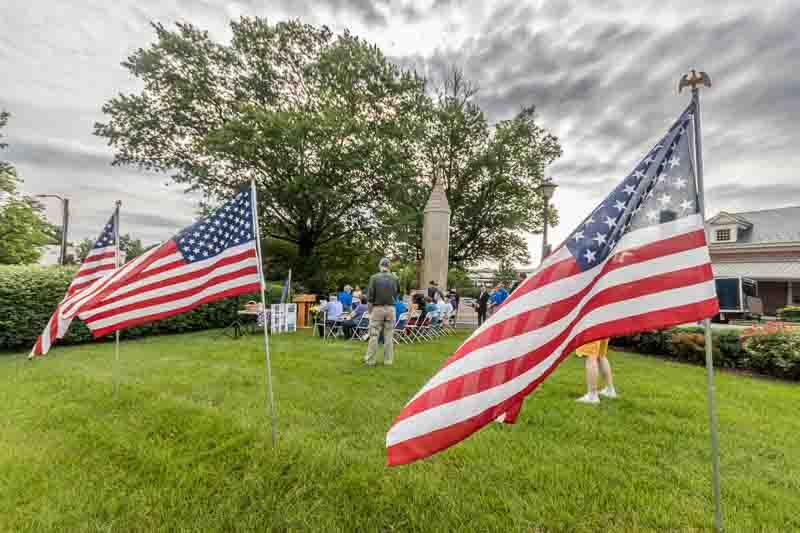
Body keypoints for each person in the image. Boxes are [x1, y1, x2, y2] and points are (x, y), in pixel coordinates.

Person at [365, 257, 401, 366]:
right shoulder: (395, 278)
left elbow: (370, 297)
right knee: (389, 336)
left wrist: (370, 312)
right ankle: (388, 361)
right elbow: (397, 293)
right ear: (389, 266)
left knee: (374, 335)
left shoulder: (374, 278)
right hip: (391, 308)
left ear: (380, 266)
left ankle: (370, 360)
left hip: (377, 308)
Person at [575, 339, 618, 404]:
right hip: (603, 330)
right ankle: (610, 390)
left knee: (591, 356)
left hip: (591, 330)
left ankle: (592, 396)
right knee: (601, 356)